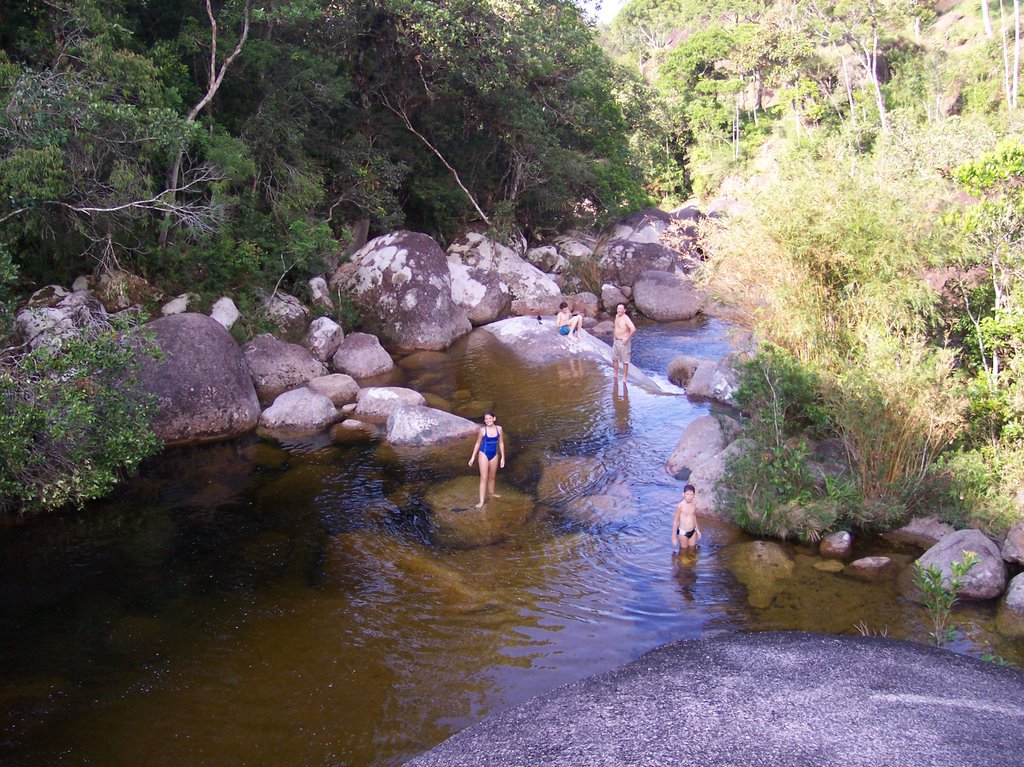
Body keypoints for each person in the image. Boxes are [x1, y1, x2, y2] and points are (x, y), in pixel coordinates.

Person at [468, 411, 505, 508]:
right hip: (483, 453)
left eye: (490, 418)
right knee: (484, 478)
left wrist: (503, 458)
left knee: (492, 477)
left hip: (494, 454)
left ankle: (491, 494)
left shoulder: (499, 429)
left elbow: (501, 443)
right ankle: (481, 501)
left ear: (494, 418)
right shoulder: (483, 430)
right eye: (486, 419)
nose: (488, 420)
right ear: (484, 421)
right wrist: (472, 457)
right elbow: (477, 443)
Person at [671, 484, 701, 551]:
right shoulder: (680, 506)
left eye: (691, 494)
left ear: (694, 495)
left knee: (692, 549)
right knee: (683, 551)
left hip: (693, 531)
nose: (689, 497)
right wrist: (674, 537)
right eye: (687, 494)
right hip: (683, 533)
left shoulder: (693, 504)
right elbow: (675, 521)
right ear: (683, 494)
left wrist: (697, 530)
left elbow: (693, 516)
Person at [612, 303, 636, 378]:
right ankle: (615, 374)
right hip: (616, 341)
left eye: (621, 309)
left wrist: (627, 338)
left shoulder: (626, 318)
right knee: (614, 358)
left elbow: (633, 329)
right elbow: (616, 327)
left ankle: (624, 378)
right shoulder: (616, 316)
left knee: (625, 361)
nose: (619, 310)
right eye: (618, 308)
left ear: (624, 310)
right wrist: (614, 337)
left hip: (623, 342)